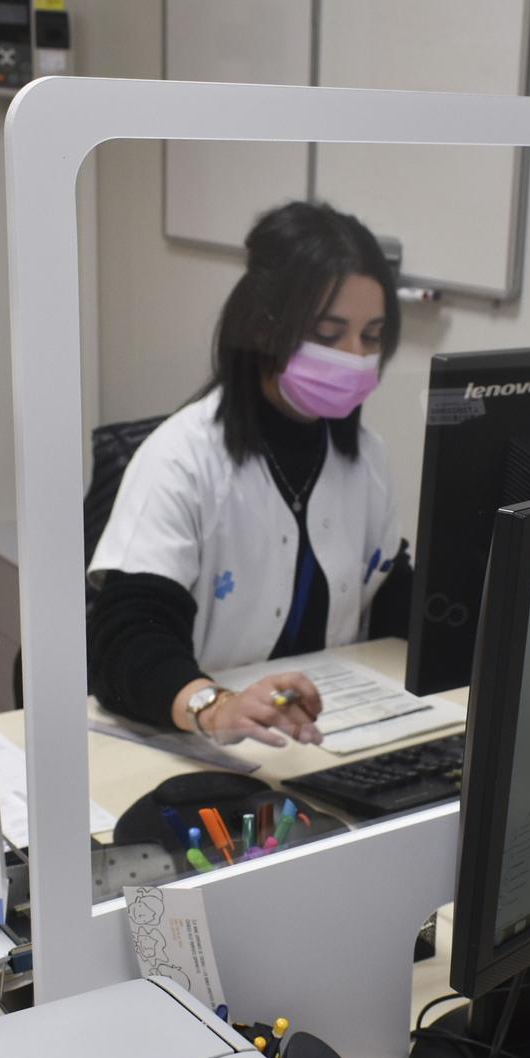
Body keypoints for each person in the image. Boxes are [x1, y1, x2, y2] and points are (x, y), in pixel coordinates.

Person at [87, 201, 412, 747]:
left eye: (373, 336)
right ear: (265, 329)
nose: (356, 357)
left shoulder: (366, 458)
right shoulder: (181, 457)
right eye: (329, 334)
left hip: (317, 738)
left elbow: (391, 602)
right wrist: (213, 705)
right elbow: (126, 640)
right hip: (202, 744)